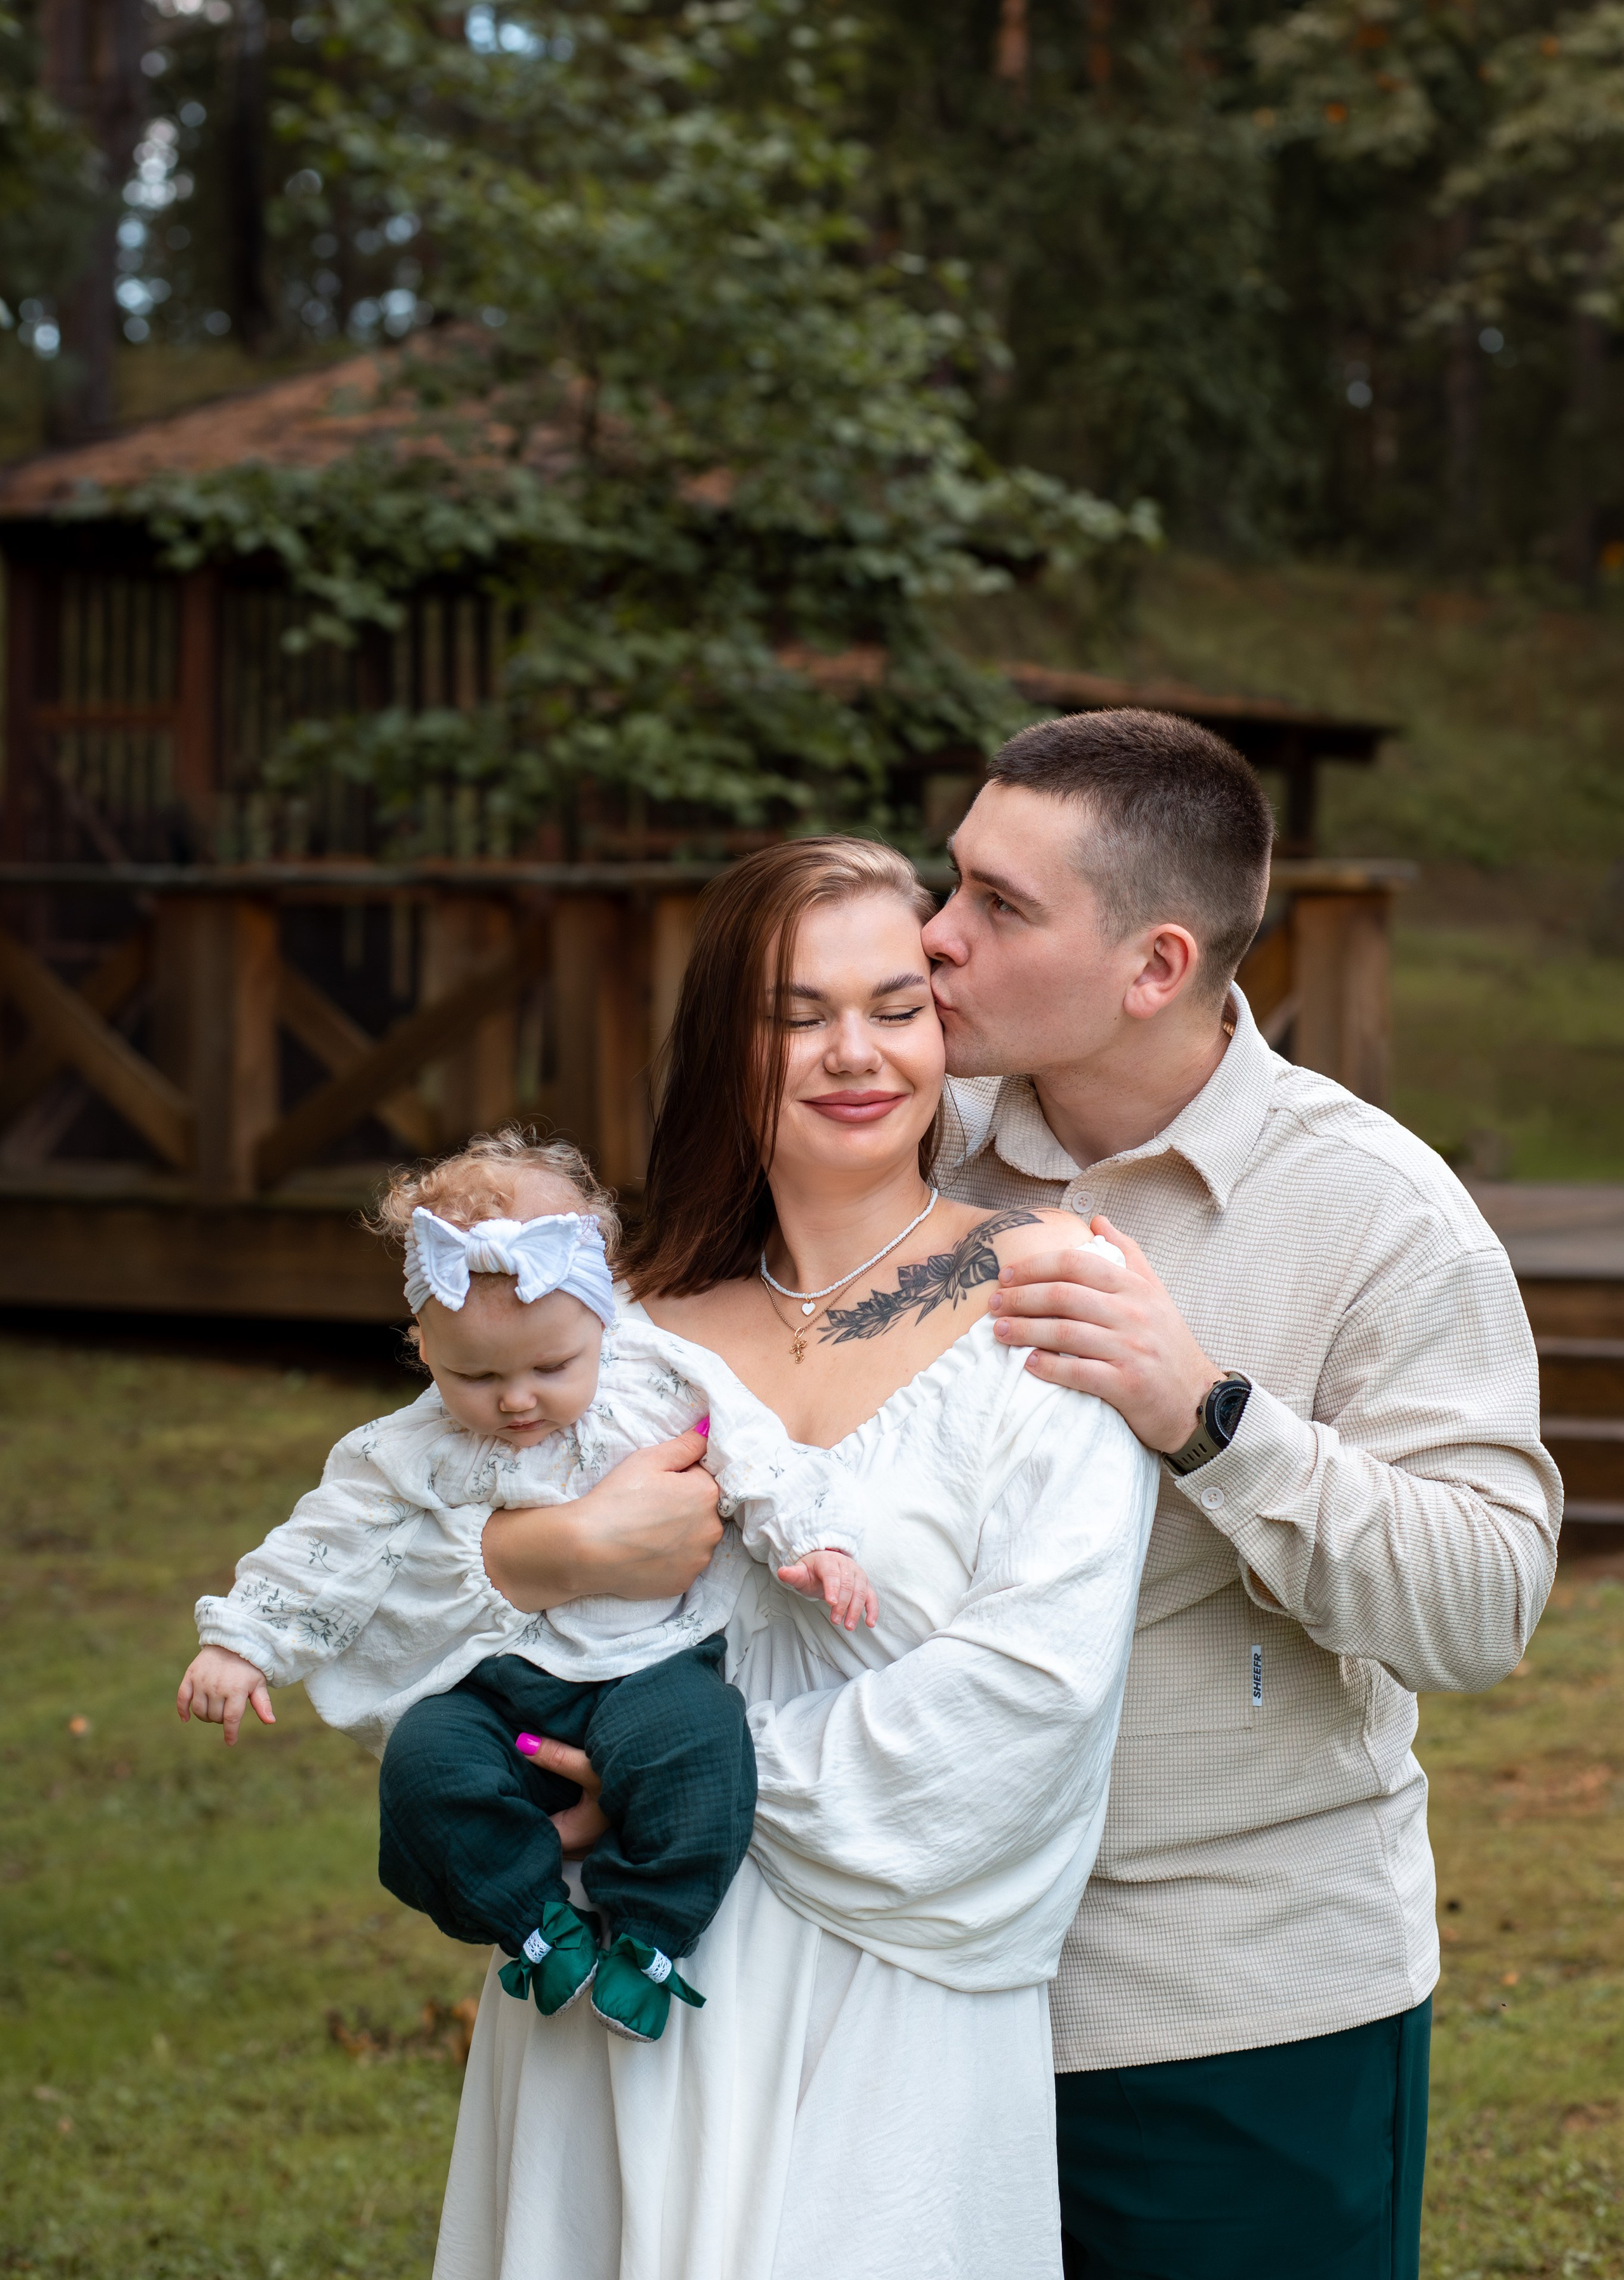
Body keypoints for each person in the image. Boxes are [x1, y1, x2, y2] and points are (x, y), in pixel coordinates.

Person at [434, 834, 1162, 2280]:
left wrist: (681, 1779)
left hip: (891, 1990)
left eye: (895, 1008)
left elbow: (1038, 1691)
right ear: (726, 1039)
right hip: (613, 1981)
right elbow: (424, 1604)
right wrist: (551, 1552)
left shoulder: (1048, 1296)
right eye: (793, 1013)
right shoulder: (615, 1331)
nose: (853, 1054)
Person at [921, 707, 1562, 2280]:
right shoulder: (901, 1154)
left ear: (1151, 966)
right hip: (909, 1986)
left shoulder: (1377, 1213)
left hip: (1233, 2015)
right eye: (951, 885)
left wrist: (1206, 1415)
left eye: (998, 908)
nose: (932, 939)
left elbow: (1482, 1608)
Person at [176, 1129, 877, 2046]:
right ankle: (539, 1925)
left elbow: (758, 1455)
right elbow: (326, 1542)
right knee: (426, 1769)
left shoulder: (656, 1382)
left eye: (552, 1367)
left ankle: (653, 1938)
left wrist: (818, 1539)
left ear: (603, 1318)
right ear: (423, 1345)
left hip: (649, 1661)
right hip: (497, 1678)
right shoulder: (409, 1447)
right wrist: (243, 1641)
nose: (516, 1401)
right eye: (477, 1374)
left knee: (703, 1752)